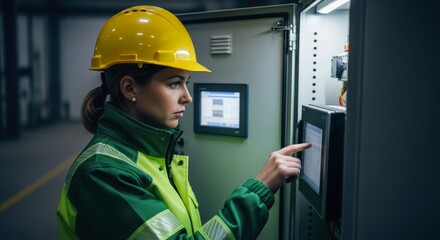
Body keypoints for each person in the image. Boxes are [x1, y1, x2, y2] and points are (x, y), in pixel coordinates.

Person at [56, 5, 311, 240]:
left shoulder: (151, 156)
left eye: (186, 83)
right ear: (129, 87)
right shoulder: (104, 174)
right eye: (174, 83)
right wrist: (259, 190)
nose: (187, 97)